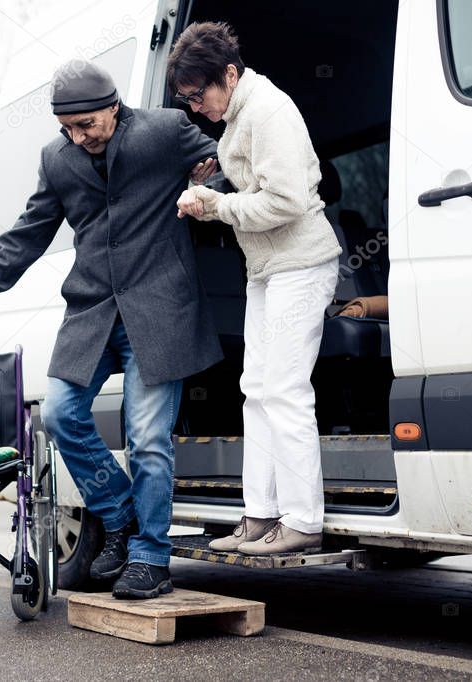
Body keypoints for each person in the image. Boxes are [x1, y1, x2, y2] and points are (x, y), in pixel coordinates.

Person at [0, 60, 222, 599]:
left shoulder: (163, 131)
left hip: (158, 311)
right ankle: (120, 514)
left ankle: (151, 557)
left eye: (87, 126)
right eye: (68, 129)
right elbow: (32, 227)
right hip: (92, 312)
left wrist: (206, 182)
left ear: (113, 107)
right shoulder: (57, 159)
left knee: (148, 439)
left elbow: (224, 163)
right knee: (60, 414)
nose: (78, 138)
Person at [169, 22, 342, 555]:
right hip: (268, 269)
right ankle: (260, 514)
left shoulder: (267, 111)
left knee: (285, 390)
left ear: (229, 73)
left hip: (301, 264)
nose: (196, 108)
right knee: (257, 388)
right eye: (186, 100)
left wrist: (216, 205)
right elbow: (254, 189)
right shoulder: (237, 119)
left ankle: (302, 520)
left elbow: (286, 200)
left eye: (198, 94)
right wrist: (211, 190)